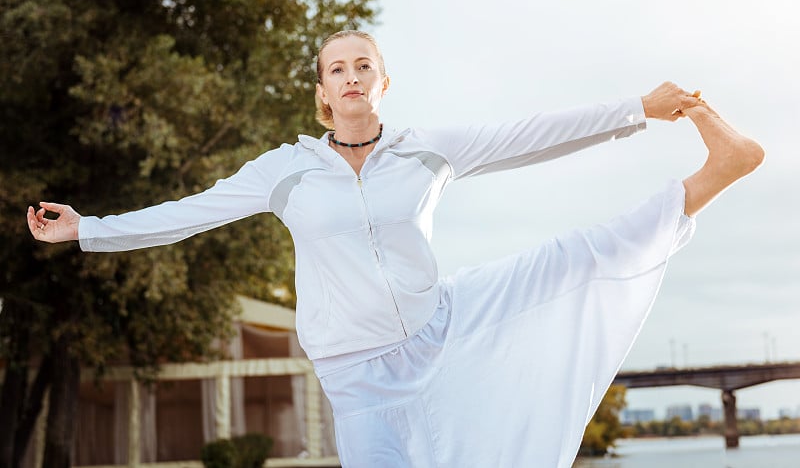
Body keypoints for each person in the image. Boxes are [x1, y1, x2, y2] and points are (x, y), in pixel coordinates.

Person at [27, 30, 764, 467]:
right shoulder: (285, 170)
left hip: (444, 332)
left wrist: (636, 108)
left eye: (364, 65)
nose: (352, 76)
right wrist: (87, 227)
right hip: (358, 377)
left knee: (575, 259)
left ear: (383, 82)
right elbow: (189, 214)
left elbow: (531, 134)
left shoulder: (425, 152)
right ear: (322, 91)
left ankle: (716, 171)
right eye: (337, 68)